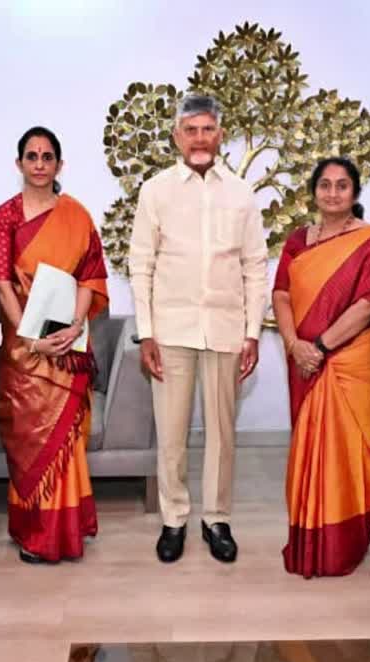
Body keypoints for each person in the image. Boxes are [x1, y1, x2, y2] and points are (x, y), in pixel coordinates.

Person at [127, 94, 268, 564]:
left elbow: (254, 265)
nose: (200, 139)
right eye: (191, 130)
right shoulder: (156, 190)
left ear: (220, 134)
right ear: (177, 137)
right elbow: (141, 264)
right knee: (171, 433)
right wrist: (146, 332)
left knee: (223, 433)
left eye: (208, 129)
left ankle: (216, 518)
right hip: (171, 330)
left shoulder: (241, 193)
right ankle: (174, 519)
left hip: (226, 330)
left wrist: (252, 332)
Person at [272, 157, 370, 578]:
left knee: (350, 454)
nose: (332, 193)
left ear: (356, 193)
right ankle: (309, 538)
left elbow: (369, 305)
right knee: (307, 451)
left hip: (349, 362)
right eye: (324, 185)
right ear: (313, 192)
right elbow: (282, 296)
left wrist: (321, 346)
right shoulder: (297, 241)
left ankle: (343, 545)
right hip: (303, 363)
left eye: (341, 185)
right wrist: (294, 345)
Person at [0, 126, 109, 563]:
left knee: (67, 439)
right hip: (25, 350)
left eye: (47, 156)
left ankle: (69, 525)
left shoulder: (76, 215)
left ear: (59, 164)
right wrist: (30, 339)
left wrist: (75, 327)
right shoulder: (5, 217)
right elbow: (2, 284)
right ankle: (37, 533)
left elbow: (91, 277)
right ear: (19, 163)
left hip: (67, 345)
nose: (39, 164)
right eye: (32, 156)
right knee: (29, 442)